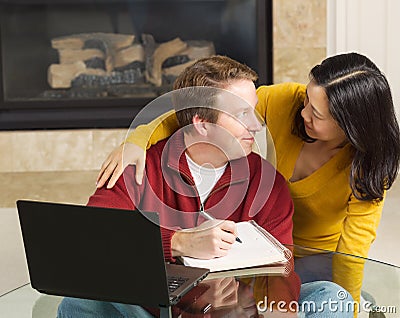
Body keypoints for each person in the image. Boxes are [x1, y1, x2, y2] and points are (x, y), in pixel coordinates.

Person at [96, 52, 400, 305]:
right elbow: (94, 239)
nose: (258, 125)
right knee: (84, 301)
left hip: (302, 260)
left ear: (349, 126)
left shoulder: (272, 184)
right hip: (167, 299)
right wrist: (136, 141)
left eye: (317, 114)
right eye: (307, 100)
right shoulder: (141, 168)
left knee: (334, 299)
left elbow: (346, 254)